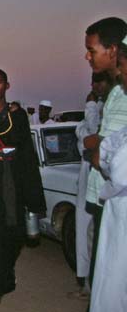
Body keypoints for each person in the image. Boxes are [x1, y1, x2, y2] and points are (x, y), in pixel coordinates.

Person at [0, 68, 46, 305]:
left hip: (13, 182)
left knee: (13, 233)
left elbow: (26, 151)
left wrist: (32, 192)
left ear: (7, 85)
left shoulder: (17, 115)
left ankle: (6, 275)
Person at [82, 17, 127, 290]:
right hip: (108, 197)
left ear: (112, 50)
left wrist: (98, 146)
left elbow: (110, 148)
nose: (87, 56)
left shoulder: (122, 93)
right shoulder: (116, 91)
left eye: (92, 50)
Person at [69, 72, 112, 301]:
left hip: (105, 175)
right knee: (84, 229)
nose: (95, 85)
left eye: (100, 81)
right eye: (93, 81)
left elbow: (94, 135)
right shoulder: (99, 105)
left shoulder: (110, 105)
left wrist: (91, 106)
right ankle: (86, 282)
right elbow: (84, 139)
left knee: (101, 233)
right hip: (88, 171)